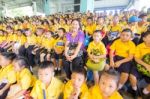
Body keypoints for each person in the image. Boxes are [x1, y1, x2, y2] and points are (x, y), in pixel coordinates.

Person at [130, 31, 150, 96]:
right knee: (132, 76)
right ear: (144, 39)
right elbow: (136, 59)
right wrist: (146, 65)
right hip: (139, 65)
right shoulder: (139, 47)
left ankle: (144, 92)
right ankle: (135, 91)